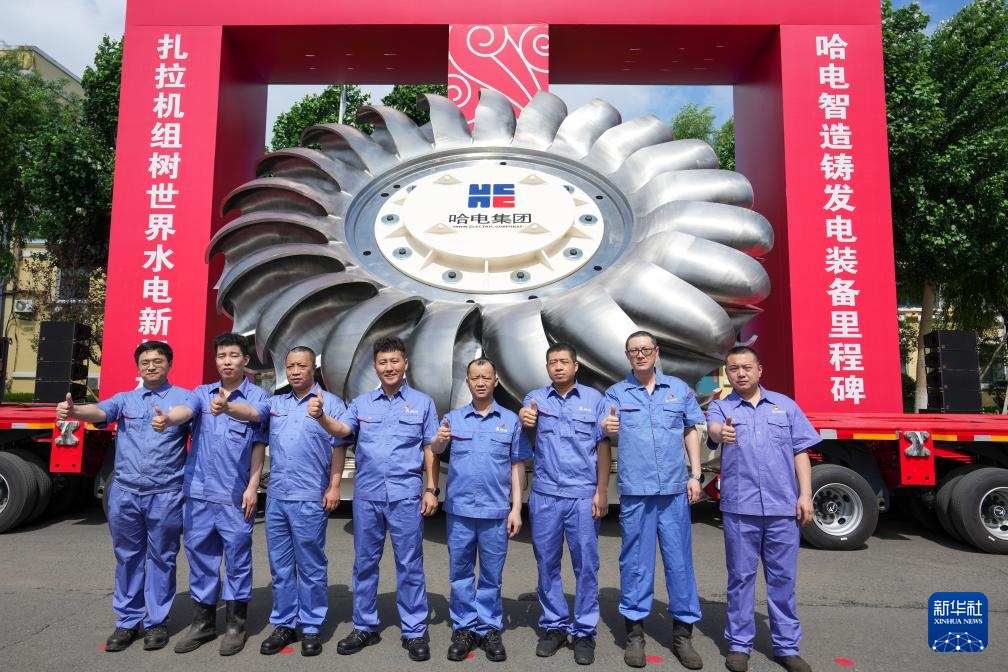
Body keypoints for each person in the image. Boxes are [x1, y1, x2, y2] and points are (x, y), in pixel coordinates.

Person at [56, 341, 191, 652]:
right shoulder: (125, 399)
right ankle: (128, 621)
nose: (151, 366)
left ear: (169, 364)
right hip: (126, 493)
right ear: (138, 367)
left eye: (158, 361)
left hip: (166, 494)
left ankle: (157, 622)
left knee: (162, 558)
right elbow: (100, 411)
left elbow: (193, 422)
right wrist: (75, 411)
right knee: (128, 557)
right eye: (145, 362)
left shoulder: (183, 398)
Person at [219, 345, 348, 657]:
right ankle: (284, 623)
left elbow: (340, 444)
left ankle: (312, 625)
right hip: (277, 497)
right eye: (290, 366)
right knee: (280, 566)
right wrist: (228, 407)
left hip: (310, 498)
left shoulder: (330, 402)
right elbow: (253, 415)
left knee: (311, 565)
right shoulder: (275, 402)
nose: (295, 371)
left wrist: (334, 486)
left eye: (301, 366)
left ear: (313, 368)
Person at [150, 332, 268, 656]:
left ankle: (235, 625)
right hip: (199, 493)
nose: (227, 361)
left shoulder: (259, 396)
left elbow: (256, 427)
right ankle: (203, 623)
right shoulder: (201, 394)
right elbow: (185, 412)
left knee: (238, 559)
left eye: (233, 355)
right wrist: (168, 419)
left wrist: (252, 487)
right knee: (200, 557)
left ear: (245, 360)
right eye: (221, 356)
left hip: (235, 495)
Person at [323, 336, 439, 662]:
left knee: (409, 564)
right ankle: (364, 626)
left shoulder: (423, 403)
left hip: (405, 496)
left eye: (394, 361)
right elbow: (341, 432)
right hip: (368, 496)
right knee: (365, 564)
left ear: (405, 364)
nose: (389, 367)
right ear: (375, 367)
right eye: (383, 362)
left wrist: (431, 489)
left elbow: (430, 448)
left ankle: (414, 630)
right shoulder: (361, 404)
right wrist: (321, 417)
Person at [706, 346, 818, 672]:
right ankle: (739, 644)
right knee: (740, 578)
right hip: (741, 509)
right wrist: (722, 433)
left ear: (759, 370)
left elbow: (800, 452)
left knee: (782, 580)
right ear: (727, 374)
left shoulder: (785, 406)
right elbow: (714, 431)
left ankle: (786, 647)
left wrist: (805, 495)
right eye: (733, 368)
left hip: (782, 507)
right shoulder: (721, 407)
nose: (740, 373)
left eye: (746, 367)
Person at [602, 330, 705, 670]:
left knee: (679, 563)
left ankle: (682, 635)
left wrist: (695, 474)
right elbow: (603, 431)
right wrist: (607, 427)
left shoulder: (678, 389)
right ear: (627, 355)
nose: (641, 354)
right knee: (635, 563)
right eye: (634, 350)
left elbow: (690, 429)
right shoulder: (615, 393)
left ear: (657, 352)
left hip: (674, 491)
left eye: (646, 349)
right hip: (636, 493)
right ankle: (634, 635)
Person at [429, 357, 531, 663]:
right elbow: (435, 450)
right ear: (468, 382)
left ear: (495, 381)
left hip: (495, 512)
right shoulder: (453, 419)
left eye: (486, 377)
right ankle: (464, 628)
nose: (481, 382)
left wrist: (516, 508)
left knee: (491, 575)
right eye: (475, 377)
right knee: (460, 573)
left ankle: (488, 628)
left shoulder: (510, 420)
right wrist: (439, 440)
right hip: (460, 512)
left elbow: (517, 466)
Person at [518, 343, 610, 665]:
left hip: (583, 495)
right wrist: (524, 419)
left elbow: (602, 447)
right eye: (552, 362)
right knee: (547, 562)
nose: (558, 367)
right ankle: (554, 625)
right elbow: (524, 428)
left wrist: (602, 490)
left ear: (575, 366)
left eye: (563, 362)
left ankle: (584, 631)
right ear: (547, 367)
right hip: (545, 495)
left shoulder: (594, 400)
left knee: (586, 565)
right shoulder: (535, 399)